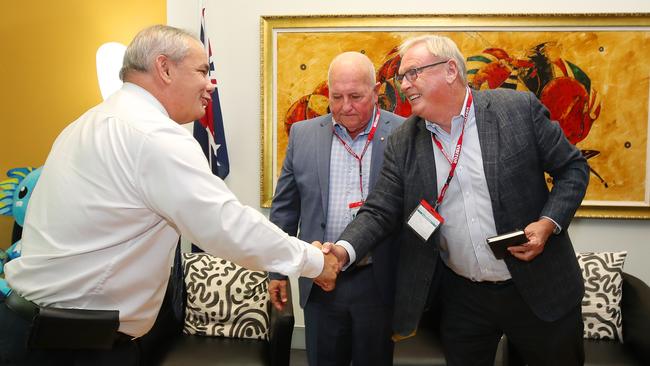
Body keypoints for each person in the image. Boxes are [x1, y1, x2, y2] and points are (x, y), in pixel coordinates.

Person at [0, 25, 338, 366]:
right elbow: (226, 225)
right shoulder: (151, 134)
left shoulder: (89, 121)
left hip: (33, 331)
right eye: (202, 71)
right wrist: (315, 262)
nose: (210, 84)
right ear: (164, 68)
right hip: (70, 348)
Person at [326, 35, 590, 366]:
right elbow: (379, 211)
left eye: (413, 73)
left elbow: (573, 170)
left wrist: (547, 223)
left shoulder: (516, 111)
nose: (405, 85)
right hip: (463, 297)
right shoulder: (403, 142)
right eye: (402, 77)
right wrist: (341, 250)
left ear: (451, 70)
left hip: (538, 288)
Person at [267, 51, 403, 366]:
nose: (345, 106)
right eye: (336, 97)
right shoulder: (303, 135)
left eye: (356, 96)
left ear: (376, 92)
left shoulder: (403, 132)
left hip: (378, 278)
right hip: (321, 279)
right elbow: (285, 209)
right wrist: (277, 271)